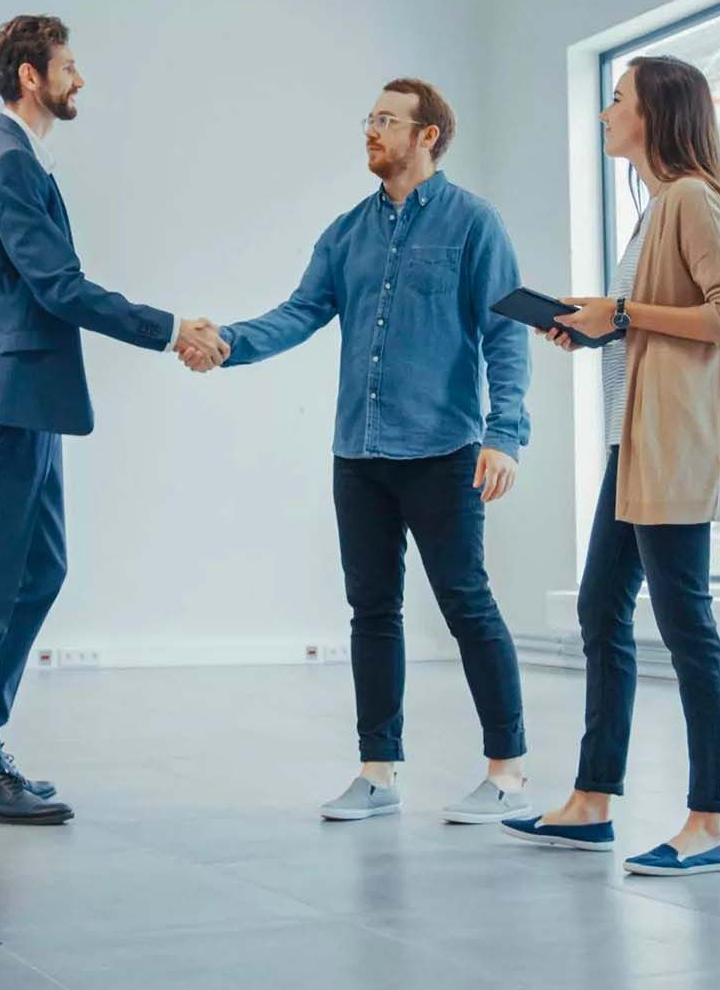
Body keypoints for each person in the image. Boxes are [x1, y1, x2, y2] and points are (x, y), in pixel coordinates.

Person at [191, 79, 533, 823]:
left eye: (386, 121)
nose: (371, 132)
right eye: (369, 120)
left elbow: (507, 331)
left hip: (444, 449)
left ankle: (506, 773)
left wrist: (505, 434)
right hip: (360, 452)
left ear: (428, 135)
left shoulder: (475, 224)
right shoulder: (346, 231)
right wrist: (228, 343)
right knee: (371, 609)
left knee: (465, 603)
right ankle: (377, 770)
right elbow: (300, 311)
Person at [0, 14, 228, 825]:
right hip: (10, 393)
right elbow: (58, 285)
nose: (78, 77)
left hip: (26, 395)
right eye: (67, 64)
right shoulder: (7, 163)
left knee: (41, 568)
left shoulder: (12, 159)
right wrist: (169, 328)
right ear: (31, 75)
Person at [501, 55, 720, 875]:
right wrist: (595, 325)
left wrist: (619, 311)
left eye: (616, 101)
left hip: (670, 446)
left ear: (652, 113)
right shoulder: (655, 210)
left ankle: (711, 823)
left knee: (687, 626)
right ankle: (591, 801)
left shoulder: (688, 198)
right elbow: (663, 321)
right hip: (634, 440)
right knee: (599, 611)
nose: (606, 113)